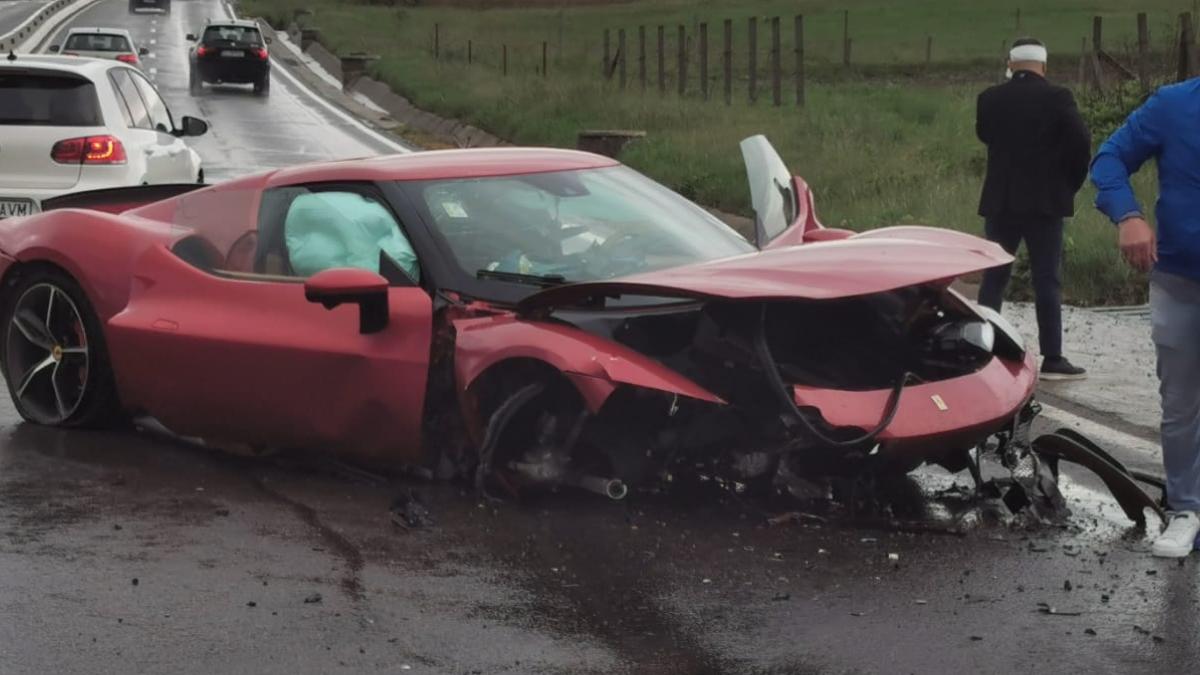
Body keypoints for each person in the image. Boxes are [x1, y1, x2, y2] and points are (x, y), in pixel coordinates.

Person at [1092, 80, 1200, 558]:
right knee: (1180, 404)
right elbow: (1110, 157)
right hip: (1181, 280)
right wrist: (1127, 215)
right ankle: (1186, 510)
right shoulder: (1175, 105)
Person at [975, 37, 1092, 380]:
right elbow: (1081, 142)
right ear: (1043, 65)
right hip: (1045, 203)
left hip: (1001, 200)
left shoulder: (989, 99)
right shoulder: (1058, 98)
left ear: (1011, 64)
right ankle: (1053, 357)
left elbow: (985, 135)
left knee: (994, 278)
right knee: (1046, 279)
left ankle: (982, 349)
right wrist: (1068, 184)